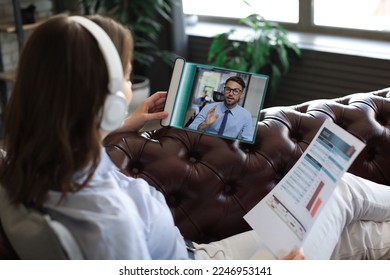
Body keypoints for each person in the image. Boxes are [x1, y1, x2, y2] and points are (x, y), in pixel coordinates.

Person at [0, 14, 390, 260]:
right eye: (124, 76)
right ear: (100, 100)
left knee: (365, 227)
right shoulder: (109, 224)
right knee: (341, 193)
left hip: (197, 256)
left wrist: (123, 125)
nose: (126, 87)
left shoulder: (35, 163)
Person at [188, 76, 254, 141]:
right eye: (228, 89)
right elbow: (190, 128)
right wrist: (204, 124)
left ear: (241, 95)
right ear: (223, 91)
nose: (231, 93)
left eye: (235, 91)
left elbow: (247, 139)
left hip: (228, 149)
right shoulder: (209, 108)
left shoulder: (246, 115)